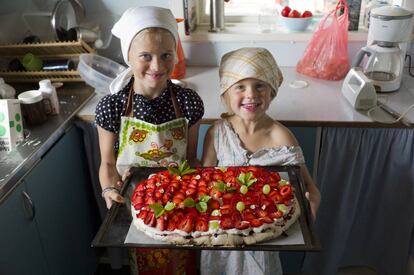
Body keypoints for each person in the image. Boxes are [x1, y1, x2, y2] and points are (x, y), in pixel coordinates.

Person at [94, 6, 204, 275]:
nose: (157, 66)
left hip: (181, 205)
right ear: (128, 56)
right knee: (146, 265)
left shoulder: (188, 102)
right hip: (137, 206)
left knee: (183, 265)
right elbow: (107, 163)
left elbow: (191, 159)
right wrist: (109, 190)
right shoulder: (111, 106)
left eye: (166, 55)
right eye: (146, 56)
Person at [200, 47, 320, 275]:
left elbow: (310, 189)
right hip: (222, 237)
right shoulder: (217, 133)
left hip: (264, 241)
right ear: (226, 92)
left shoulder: (282, 137)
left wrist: (310, 206)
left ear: (272, 91)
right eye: (240, 87)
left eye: (260, 86)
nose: (251, 95)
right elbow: (205, 182)